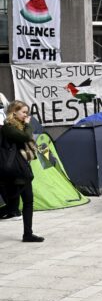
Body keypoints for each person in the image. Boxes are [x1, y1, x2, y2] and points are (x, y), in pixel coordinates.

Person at [0, 101, 42, 242]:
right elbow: (26, 137)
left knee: (28, 201)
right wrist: (29, 125)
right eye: (24, 112)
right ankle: (27, 233)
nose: (26, 115)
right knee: (12, 207)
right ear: (14, 112)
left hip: (22, 169)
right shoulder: (8, 127)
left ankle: (28, 234)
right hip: (13, 170)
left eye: (27, 112)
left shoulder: (21, 127)